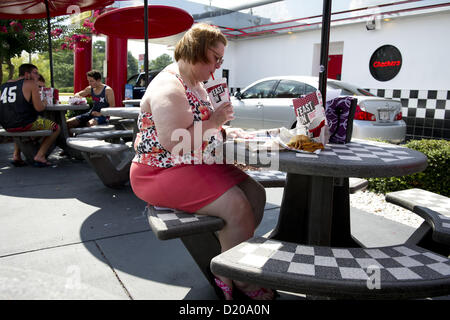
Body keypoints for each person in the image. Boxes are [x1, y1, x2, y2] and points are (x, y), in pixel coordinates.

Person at [129, 23, 274, 300]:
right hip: (159, 171)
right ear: (196, 50)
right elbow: (174, 140)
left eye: (221, 59)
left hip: (194, 163)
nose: (218, 65)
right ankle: (232, 276)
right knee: (237, 205)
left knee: (255, 193)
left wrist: (228, 131)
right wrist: (215, 121)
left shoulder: (196, 83)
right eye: (215, 58)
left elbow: (206, 129)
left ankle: (232, 257)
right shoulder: (169, 85)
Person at [0, 63, 61, 167]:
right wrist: (45, 103)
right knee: (56, 127)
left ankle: (16, 155)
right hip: (25, 123)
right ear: (27, 74)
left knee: (17, 123)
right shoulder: (31, 84)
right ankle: (40, 156)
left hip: (6, 124)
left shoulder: (5, 85)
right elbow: (39, 108)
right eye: (35, 73)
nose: (38, 76)